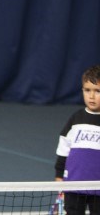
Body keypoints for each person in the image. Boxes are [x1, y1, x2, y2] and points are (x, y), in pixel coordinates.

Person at [54, 65, 100, 215]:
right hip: (74, 185)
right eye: (87, 90)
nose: (91, 96)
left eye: (97, 91)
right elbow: (63, 149)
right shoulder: (75, 119)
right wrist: (59, 176)